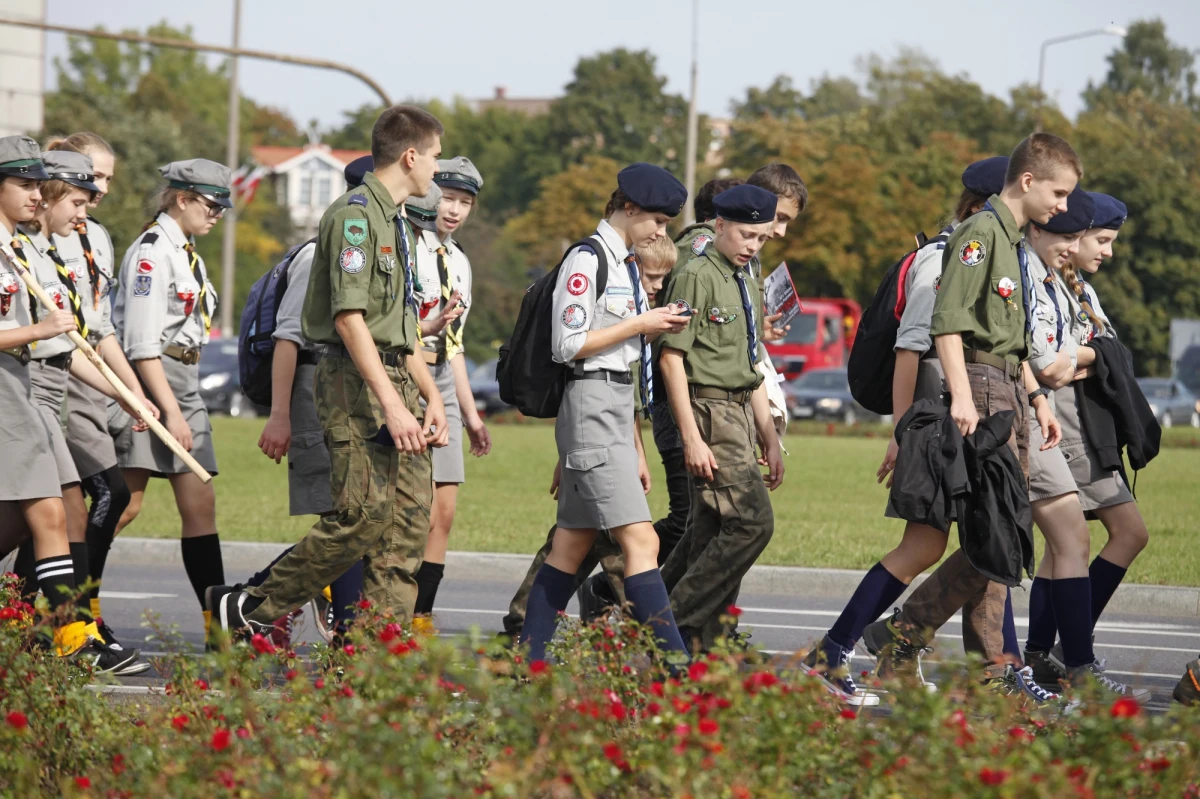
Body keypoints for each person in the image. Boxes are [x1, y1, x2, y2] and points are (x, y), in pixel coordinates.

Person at [206, 105, 450, 635]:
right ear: (410, 156)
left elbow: (401, 328)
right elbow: (349, 319)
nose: (437, 169)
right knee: (360, 519)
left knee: (406, 524)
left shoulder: (397, 224)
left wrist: (429, 398)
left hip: (396, 380)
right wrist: (391, 404)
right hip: (354, 385)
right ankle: (248, 607)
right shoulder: (354, 217)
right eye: (434, 157)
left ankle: (378, 655)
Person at [862, 133, 1080, 696]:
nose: (1062, 207)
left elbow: (1013, 339)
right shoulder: (981, 235)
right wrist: (961, 395)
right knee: (1003, 532)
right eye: (1058, 194)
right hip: (982, 391)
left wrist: (1035, 398)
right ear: (1028, 181)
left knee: (997, 534)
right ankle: (908, 632)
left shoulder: (1011, 242)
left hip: (1008, 389)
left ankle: (988, 673)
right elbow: (948, 323)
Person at [804, 157, 1016, 705]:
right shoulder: (943, 258)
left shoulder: (984, 255)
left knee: (981, 541)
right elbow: (910, 349)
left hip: (954, 421)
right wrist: (902, 433)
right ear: (981, 207)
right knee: (927, 546)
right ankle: (837, 652)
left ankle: (891, 655)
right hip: (935, 422)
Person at [517, 162, 693, 665]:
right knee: (641, 543)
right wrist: (642, 322)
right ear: (628, 208)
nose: (660, 232)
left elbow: (623, 363)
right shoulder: (587, 260)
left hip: (611, 408)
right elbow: (567, 344)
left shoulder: (622, 264)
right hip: (591, 402)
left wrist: (633, 446)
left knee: (571, 547)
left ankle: (528, 662)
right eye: (656, 221)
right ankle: (676, 672)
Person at [0, 136, 134, 673]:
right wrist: (39, 327)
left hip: (23, 383)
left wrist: (126, 396)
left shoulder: (18, 249)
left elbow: (69, 341)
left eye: (38, 185)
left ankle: (37, 627)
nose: (37, 195)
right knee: (54, 511)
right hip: (9, 385)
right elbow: (39, 333)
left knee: (47, 512)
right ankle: (69, 634)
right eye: (25, 185)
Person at [249, 158, 378, 646]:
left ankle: (247, 603)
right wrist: (280, 416)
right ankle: (257, 605)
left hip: (346, 390)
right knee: (344, 520)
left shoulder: (366, 244)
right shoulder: (320, 252)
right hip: (312, 388)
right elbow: (288, 338)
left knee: (353, 520)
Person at [1025, 192, 1148, 701]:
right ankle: (1065, 652)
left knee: (1068, 549)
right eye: (1100, 240)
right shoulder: (1043, 282)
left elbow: (1109, 348)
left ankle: (1045, 649)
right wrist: (1093, 355)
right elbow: (1050, 366)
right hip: (1067, 423)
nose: (1106, 252)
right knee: (1103, 538)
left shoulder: (1081, 291)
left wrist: (1089, 355)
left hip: (1083, 423)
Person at [658, 184, 786, 656]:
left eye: (762, 238)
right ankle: (667, 629)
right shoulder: (696, 274)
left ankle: (701, 648)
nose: (753, 245)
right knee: (752, 525)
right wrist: (691, 437)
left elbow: (750, 366)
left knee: (710, 532)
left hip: (739, 410)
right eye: (746, 234)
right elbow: (671, 359)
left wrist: (769, 436)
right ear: (719, 225)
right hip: (707, 410)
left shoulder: (743, 277)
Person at [109, 158, 231, 638]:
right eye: (210, 204)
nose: (217, 214)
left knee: (201, 505)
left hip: (183, 378)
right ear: (181, 199)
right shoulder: (152, 253)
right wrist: (171, 413)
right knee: (122, 504)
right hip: (150, 382)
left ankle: (217, 626)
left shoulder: (186, 251)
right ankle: (65, 607)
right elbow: (141, 345)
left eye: (223, 206)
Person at [44, 133, 153, 656]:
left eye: (105, 179)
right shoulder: (36, 237)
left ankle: (66, 619)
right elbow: (60, 331)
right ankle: (70, 621)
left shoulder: (96, 235)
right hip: (56, 377)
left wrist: (131, 390)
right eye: (89, 180)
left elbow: (99, 324)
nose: (99, 189)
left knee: (55, 515)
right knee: (90, 500)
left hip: (89, 374)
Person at [409, 157, 492, 633]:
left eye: (465, 203)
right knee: (400, 509)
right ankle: (345, 593)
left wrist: (471, 413)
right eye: (448, 198)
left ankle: (420, 619)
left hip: (441, 375)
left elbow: (455, 345)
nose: (455, 210)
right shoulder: (406, 246)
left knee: (444, 511)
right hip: (405, 371)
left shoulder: (458, 261)